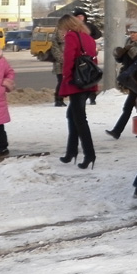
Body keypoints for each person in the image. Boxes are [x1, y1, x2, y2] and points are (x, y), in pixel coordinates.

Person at [58, 13, 100, 169]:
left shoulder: (71, 36)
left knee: (80, 119)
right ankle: (71, 152)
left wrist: (66, 77)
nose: (61, 31)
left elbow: (69, 58)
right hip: (87, 81)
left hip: (76, 81)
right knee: (72, 116)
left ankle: (89, 154)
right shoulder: (87, 36)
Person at [107, 21, 137, 140]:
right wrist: (118, 55)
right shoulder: (129, 44)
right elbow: (123, 61)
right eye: (131, 32)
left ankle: (118, 131)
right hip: (131, 80)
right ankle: (117, 131)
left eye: (135, 32)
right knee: (136, 106)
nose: (132, 35)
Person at [71, 8, 101, 104]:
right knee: (79, 76)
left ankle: (93, 96)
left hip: (90, 54)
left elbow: (98, 34)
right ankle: (81, 95)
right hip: (78, 56)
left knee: (92, 74)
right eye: (78, 16)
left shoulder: (89, 26)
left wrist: (90, 39)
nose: (80, 18)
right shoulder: (72, 27)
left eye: (81, 16)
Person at [50, 22, 65, 107]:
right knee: (61, 81)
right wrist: (63, 60)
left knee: (63, 81)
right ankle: (58, 99)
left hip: (65, 62)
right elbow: (55, 51)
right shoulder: (58, 36)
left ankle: (61, 99)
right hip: (60, 63)